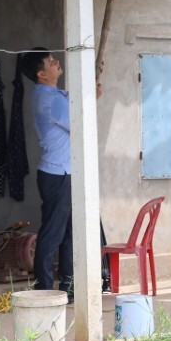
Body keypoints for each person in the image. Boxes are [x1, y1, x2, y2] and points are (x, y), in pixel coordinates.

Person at [20, 48, 108, 301]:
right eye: (50, 61)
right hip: (58, 174)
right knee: (54, 232)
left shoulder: (52, 94)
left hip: (66, 172)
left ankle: (68, 287)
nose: (56, 62)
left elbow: (77, 102)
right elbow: (80, 120)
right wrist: (92, 100)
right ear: (41, 74)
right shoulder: (49, 99)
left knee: (70, 231)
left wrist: (91, 94)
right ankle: (45, 290)